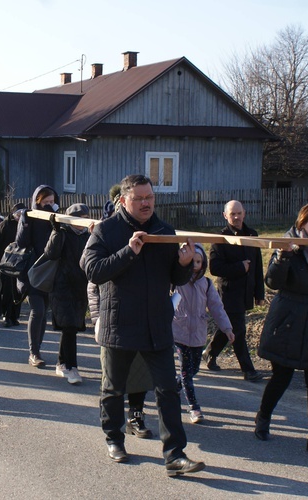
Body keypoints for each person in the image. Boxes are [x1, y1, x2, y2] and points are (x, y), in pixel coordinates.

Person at [80, 174, 205, 476]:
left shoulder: (164, 231)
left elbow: (174, 277)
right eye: (140, 198)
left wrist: (185, 264)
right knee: (113, 388)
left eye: (150, 197)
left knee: (167, 391)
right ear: (124, 200)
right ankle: (114, 439)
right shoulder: (106, 231)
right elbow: (92, 270)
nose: (147, 203)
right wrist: (129, 252)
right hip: (120, 323)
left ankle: (175, 454)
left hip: (157, 325)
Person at [254, 200, 308, 459]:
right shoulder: (288, 244)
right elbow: (272, 282)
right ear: (303, 223)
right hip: (289, 319)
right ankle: (264, 416)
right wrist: (284, 257)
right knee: (282, 376)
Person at [87, 187, 155, 439]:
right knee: (113, 380)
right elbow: (93, 283)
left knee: (140, 371)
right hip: (113, 318)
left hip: (142, 317)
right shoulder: (105, 235)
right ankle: (113, 435)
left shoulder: (148, 232)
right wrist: (97, 319)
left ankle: (136, 414)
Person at [204, 200, 265, 381]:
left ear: (244, 213)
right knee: (238, 330)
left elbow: (257, 266)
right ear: (225, 216)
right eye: (232, 214)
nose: (236, 217)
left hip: (246, 292)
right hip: (229, 293)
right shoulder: (220, 239)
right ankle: (248, 370)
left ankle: (209, 352)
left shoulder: (252, 235)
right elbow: (215, 268)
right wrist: (239, 267)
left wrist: (259, 294)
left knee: (228, 328)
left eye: (239, 213)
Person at [172, 244, 234, 424]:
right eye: (191, 261)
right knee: (186, 372)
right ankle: (194, 408)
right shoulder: (177, 281)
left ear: (203, 263)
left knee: (194, 369)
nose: (194, 265)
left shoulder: (206, 284)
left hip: (199, 334)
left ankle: (175, 386)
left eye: (198, 262)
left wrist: (227, 328)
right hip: (179, 332)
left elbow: (216, 307)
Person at [43, 203, 90, 385]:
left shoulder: (89, 236)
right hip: (62, 287)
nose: (82, 222)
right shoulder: (62, 233)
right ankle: (71, 368)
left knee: (73, 328)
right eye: (79, 218)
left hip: (81, 288)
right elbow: (51, 254)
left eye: (86, 218)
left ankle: (62, 363)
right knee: (69, 326)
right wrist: (55, 232)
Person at [16, 185, 60, 368]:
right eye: (45, 202)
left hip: (51, 270)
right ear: (37, 202)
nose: (49, 205)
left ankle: (38, 349)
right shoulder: (30, 216)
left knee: (44, 314)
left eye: (52, 202)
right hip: (32, 270)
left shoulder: (56, 218)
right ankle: (33, 352)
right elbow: (21, 242)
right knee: (38, 310)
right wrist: (25, 221)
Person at [0, 203, 26, 327]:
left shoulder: (26, 226)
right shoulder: (4, 225)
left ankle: (15, 316)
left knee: (18, 291)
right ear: (13, 214)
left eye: (22, 214)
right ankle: (6, 315)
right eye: (18, 214)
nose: (20, 216)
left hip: (20, 265)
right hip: (5, 265)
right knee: (7, 292)